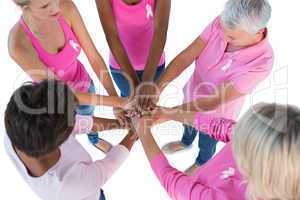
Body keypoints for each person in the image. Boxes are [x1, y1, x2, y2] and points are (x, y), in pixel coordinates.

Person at [157, 0, 274, 175]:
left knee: (207, 143)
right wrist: (157, 87)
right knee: (187, 126)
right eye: (223, 30)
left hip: (216, 116)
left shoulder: (262, 63)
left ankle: (201, 162)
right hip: (191, 96)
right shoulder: (222, 24)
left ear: (258, 32)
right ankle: (185, 142)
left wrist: (166, 113)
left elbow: (214, 101)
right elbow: (186, 56)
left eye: (232, 37)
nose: (223, 37)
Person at [8, 0, 121, 152]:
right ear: (24, 7)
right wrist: (121, 102)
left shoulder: (66, 7)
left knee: (89, 118)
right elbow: (64, 92)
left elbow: (94, 57)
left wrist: (117, 102)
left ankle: (93, 139)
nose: (56, 7)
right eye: (45, 5)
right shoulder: (18, 45)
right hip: (56, 102)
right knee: (69, 132)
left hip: (84, 85)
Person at [132, 103, 300, 200]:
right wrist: (167, 112)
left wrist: (143, 132)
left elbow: (172, 181)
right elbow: (219, 126)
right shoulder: (266, 148)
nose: (235, 133)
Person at [4, 80, 137, 200]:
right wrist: (134, 133)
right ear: (62, 138)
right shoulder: (70, 184)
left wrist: (120, 124)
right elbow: (109, 164)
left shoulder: (15, 130)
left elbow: (77, 123)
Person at [95, 0, 171, 117]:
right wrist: (135, 83)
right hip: (121, 70)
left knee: (145, 113)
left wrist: (147, 80)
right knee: (131, 110)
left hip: (155, 67)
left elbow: (160, 31)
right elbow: (112, 36)